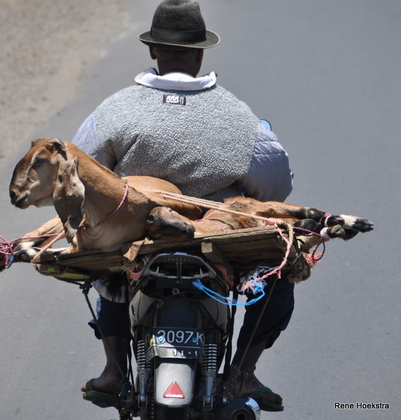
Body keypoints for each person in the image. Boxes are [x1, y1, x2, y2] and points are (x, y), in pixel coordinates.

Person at [73, 0, 293, 412]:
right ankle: (242, 373)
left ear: (153, 51)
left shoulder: (114, 110)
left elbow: (82, 173)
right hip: (221, 240)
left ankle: (114, 371)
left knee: (111, 268)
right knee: (281, 274)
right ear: (200, 52)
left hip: (141, 237)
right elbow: (276, 188)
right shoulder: (241, 118)